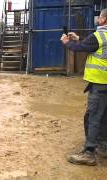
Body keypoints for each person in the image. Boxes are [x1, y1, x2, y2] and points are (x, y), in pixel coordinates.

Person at [61, 9, 107, 166]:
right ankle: (104, 146)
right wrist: (78, 38)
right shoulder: (101, 37)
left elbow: (80, 48)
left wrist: (67, 42)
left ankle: (89, 153)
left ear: (103, 20)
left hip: (100, 83)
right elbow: (93, 45)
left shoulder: (100, 35)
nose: (97, 19)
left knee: (92, 117)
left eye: (99, 16)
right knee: (103, 117)